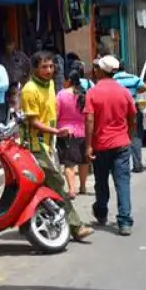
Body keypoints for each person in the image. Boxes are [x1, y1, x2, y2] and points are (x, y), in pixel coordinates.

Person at [19, 52, 93, 241]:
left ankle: (29, 224)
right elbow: (34, 122)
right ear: (35, 68)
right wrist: (57, 132)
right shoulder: (30, 89)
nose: (49, 70)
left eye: (51, 67)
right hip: (36, 145)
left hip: (50, 144)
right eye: (44, 67)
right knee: (58, 183)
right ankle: (76, 226)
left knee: (42, 187)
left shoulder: (51, 85)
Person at [85, 55, 137, 235]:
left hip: (101, 145)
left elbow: (90, 120)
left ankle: (101, 212)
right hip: (122, 144)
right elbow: (133, 118)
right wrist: (128, 137)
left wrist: (88, 145)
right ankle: (124, 221)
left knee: (101, 182)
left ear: (100, 70)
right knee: (122, 182)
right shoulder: (124, 92)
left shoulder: (92, 93)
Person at [109, 57, 146, 173]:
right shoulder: (133, 79)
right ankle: (137, 164)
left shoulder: (111, 81)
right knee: (135, 137)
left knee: (117, 136)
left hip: (116, 112)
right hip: (133, 110)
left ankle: (118, 165)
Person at [56, 69, 89, 198]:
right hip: (82, 131)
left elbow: (57, 113)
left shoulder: (61, 94)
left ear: (68, 81)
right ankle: (83, 186)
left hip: (65, 132)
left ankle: (71, 190)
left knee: (69, 163)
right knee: (83, 162)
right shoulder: (84, 94)